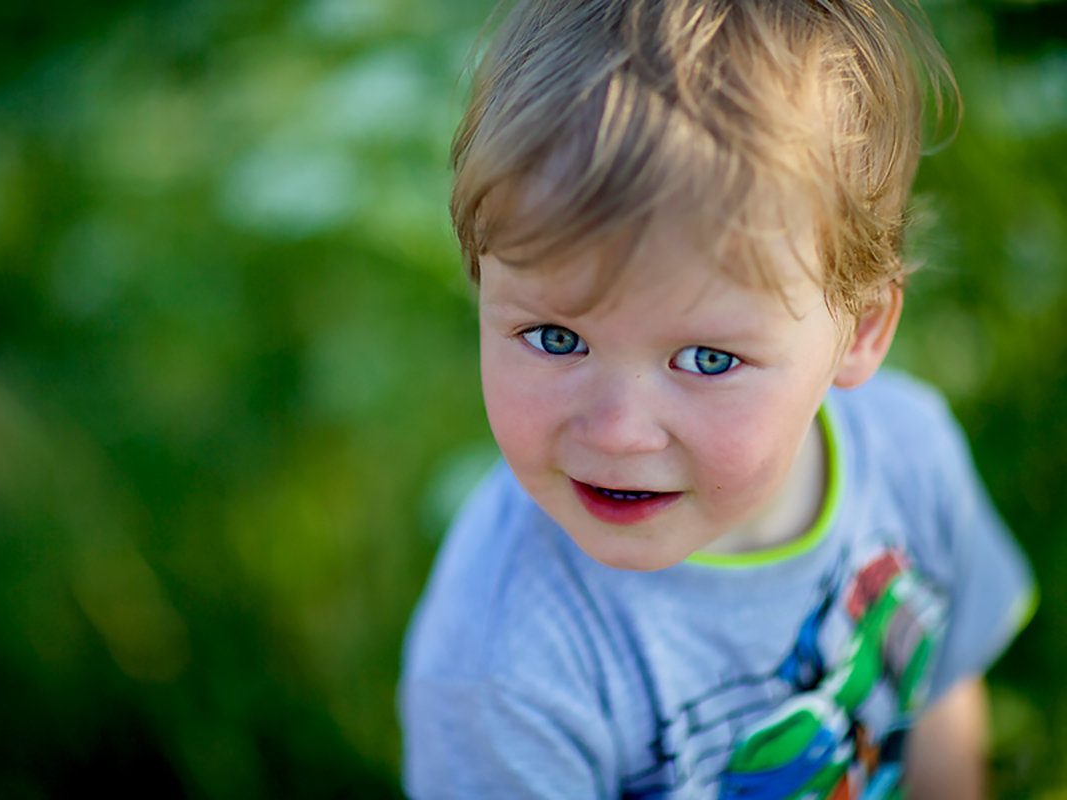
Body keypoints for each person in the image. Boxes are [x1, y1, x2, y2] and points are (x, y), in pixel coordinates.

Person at [399, 0, 1035, 797]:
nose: (620, 433)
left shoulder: (909, 457)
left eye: (707, 359)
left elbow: (935, 693)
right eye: (556, 338)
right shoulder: (507, 659)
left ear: (861, 328)